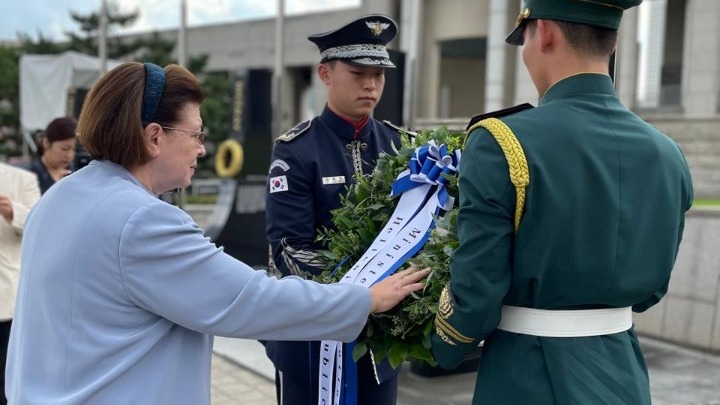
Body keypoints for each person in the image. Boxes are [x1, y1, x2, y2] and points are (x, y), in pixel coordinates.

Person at [5, 62, 428, 405]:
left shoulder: (60, 198)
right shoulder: (141, 221)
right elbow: (250, 300)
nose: (203, 149)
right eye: (196, 134)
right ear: (154, 137)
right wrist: (366, 298)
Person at [430, 1, 693, 404]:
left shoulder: (501, 141)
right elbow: (649, 293)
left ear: (546, 32)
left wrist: (438, 346)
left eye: (525, 37)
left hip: (528, 376)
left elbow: (476, 294)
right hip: (624, 374)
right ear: (615, 40)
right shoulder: (667, 153)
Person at [265, 14, 405, 405]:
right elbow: (289, 249)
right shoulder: (296, 150)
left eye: (379, 74)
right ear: (325, 73)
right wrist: (363, 295)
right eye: (358, 72)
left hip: (381, 345)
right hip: (311, 342)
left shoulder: (401, 145)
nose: (370, 84)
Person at [0, 163, 40, 405]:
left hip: (7, 298)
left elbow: (40, 222)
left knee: (6, 377)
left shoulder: (21, 179)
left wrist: (13, 212)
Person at [27, 117, 77, 194]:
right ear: (46, 143)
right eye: (64, 149)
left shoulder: (74, 173)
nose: (69, 155)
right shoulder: (28, 176)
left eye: (74, 150)